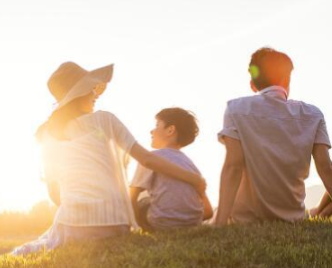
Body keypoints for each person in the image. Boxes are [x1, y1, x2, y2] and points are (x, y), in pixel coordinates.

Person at [11, 62, 205, 255]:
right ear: (80, 93)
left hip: (75, 222)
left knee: (40, 244)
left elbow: (55, 194)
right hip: (117, 224)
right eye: (90, 89)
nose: (95, 94)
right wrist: (194, 179)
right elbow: (146, 159)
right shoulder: (105, 120)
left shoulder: (50, 135)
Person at [214, 47, 332, 225]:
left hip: (245, 220)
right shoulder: (313, 114)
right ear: (287, 79)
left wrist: (220, 222)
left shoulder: (235, 109)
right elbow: (327, 169)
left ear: (253, 85)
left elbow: (233, 166)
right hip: (292, 220)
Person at [130, 108, 213, 231]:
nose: (151, 131)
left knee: (140, 196)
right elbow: (208, 212)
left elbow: (132, 197)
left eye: (157, 125)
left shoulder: (152, 158)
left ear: (170, 130)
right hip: (192, 225)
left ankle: (139, 228)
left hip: (161, 224)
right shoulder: (191, 165)